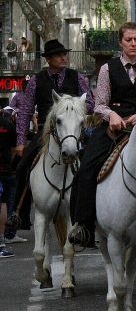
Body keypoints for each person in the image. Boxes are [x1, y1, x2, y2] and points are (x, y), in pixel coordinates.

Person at [68, 22, 136, 246]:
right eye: (128, 40)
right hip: (114, 126)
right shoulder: (107, 68)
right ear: (121, 42)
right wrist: (112, 115)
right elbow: (100, 104)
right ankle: (82, 224)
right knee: (86, 167)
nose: (133, 44)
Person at [12, 40, 94, 235]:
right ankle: (18, 214)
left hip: (74, 130)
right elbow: (25, 111)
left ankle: (90, 216)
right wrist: (21, 142)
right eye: (58, 55)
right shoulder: (36, 80)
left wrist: (75, 105)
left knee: (92, 164)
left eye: (64, 54)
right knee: (22, 166)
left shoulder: (78, 78)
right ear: (48, 59)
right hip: (45, 132)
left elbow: (90, 103)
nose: (63, 57)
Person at [0, 108, 18, 256]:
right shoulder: (9, 125)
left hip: (7, 171)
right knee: (6, 203)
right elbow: (14, 149)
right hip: (7, 170)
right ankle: (6, 237)